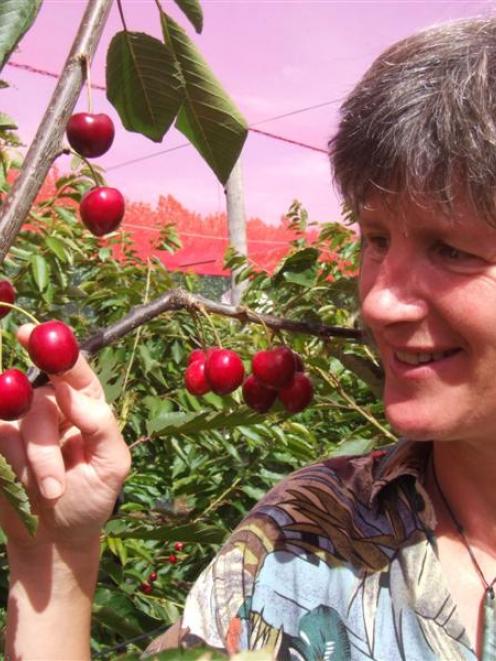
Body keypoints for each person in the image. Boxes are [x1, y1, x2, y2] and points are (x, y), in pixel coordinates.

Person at [3, 13, 496, 660]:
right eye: (375, 239)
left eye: (452, 249)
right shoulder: (305, 539)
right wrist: (58, 561)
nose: (378, 300)